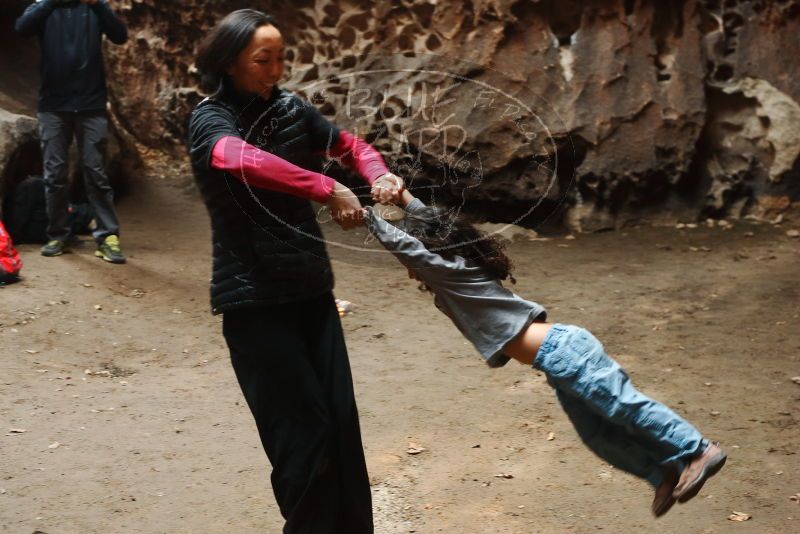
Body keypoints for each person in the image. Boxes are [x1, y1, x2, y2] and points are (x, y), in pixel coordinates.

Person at [363, 189, 727, 518]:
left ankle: (696, 449)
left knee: (621, 406)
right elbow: (431, 224)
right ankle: (662, 471)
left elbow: (407, 247)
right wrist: (404, 197)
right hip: (555, 362)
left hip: (563, 350)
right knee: (596, 435)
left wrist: (365, 214)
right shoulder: (454, 275)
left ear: (433, 251)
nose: (410, 270)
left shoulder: (451, 272)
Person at [187, 9, 403, 533]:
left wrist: (380, 174)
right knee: (302, 438)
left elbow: (350, 146)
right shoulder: (209, 118)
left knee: (340, 432)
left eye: (281, 57)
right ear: (229, 62)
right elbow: (237, 159)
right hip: (254, 301)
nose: (276, 69)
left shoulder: (290, 109)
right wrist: (327, 187)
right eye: (263, 59)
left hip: (311, 290)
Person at [15, 0, 128, 263]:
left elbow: (120, 36)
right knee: (54, 174)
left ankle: (107, 236)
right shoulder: (45, 6)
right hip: (53, 107)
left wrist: (98, 5)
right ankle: (59, 235)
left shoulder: (94, 7)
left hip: (91, 106)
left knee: (95, 171)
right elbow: (22, 27)